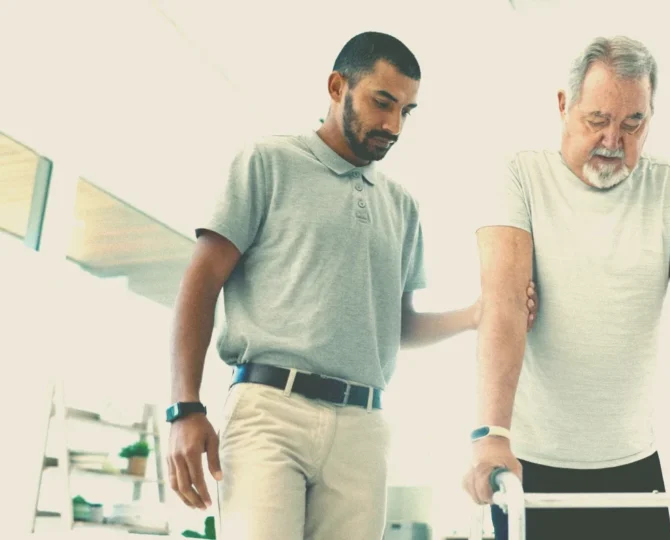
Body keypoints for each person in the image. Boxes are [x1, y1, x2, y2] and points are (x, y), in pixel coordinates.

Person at [166, 31, 536, 540]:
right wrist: (185, 408)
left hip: (364, 425)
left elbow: (397, 325)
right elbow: (200, 283)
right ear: (338, 86)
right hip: (270, 412)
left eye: (407, 111)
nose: (393, 124)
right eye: (381, 103)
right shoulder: (267, 163)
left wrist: (479, 313)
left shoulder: (402, 207)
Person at [463, 35, 670, 540]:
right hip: (530, 465)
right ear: (563, 106)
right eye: (598, 120)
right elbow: (505, 303)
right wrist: (492, 437)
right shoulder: (520, 176)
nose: (614, 140)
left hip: (633, 465)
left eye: (633, 123)